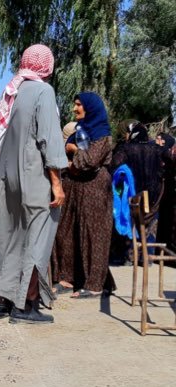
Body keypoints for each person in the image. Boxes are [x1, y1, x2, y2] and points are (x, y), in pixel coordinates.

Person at [0, 44, 67, 323]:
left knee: (9, 238)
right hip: (34, 177)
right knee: (36, 239)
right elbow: (49, 140)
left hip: (5, 179)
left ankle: (0, 303)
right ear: (47, 66)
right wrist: (57, 183)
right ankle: (25, 306)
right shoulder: (43, 91)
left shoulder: (11, 92)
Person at [63, 92, 116, 298]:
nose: (75, 109)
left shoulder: (101, 134)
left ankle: (95, 284)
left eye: (79, 105)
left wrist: (74, 150)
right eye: (74, 104)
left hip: (94, 188)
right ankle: (71, 279)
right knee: (72, 233)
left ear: (90, 108)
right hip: (78, 187)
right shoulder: (80, 131)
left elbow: (90, 162)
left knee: (93, 235)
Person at [111, 122, 164, 260]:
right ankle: (147, 257)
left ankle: (130, 255)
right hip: (154, 196)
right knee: (151, 224)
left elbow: (114, 164)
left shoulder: (126, 149)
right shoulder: (157, 149)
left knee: (131, 222)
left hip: (134, 195)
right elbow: (169, 161)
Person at [50, 122, 77, 294]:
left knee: (64, 234)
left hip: (68, 194)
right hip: (67, 193)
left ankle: (65, 277)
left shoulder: (73, 146)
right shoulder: (62, 148)